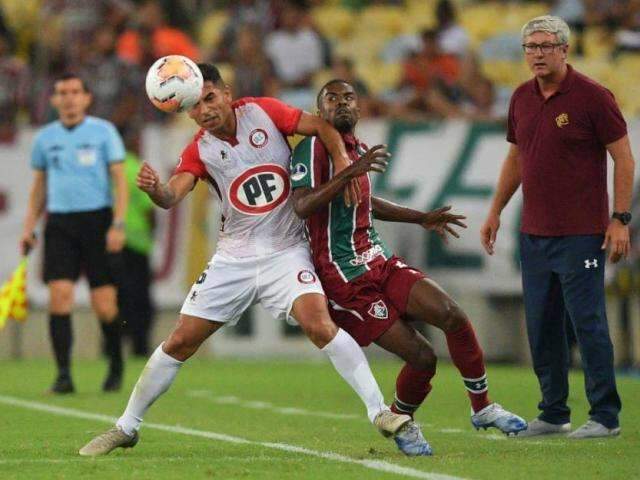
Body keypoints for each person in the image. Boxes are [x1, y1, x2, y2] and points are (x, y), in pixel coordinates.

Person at [79, 63, 424, 457]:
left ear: (227, 94)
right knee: (180, 341)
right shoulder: (199, 148)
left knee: (318, 324)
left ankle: (380, 412)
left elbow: (323, 127)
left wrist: (343, 162)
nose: (204, 110)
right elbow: (173, 195)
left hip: (285, 250)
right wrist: (157, 189)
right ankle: (126, 426)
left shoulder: (262, 111)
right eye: (195, 106)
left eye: (210, 98)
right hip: (234, 257)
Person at [290, 79, 528, 454]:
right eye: (332, 99)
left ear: (360, 107)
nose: (342, 104)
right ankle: (403, 422)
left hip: (379, 259)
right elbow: (302, 206)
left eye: (349, 98)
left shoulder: (358, 150)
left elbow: (366, 201)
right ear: (320, 112)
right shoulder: (311, 149)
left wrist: (420, 217)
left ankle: (482, 407)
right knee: (422, 357)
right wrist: (348, 174)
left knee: (451, 314)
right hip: (344, 276)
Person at [480, 15, 635, 439]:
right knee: (542, 325)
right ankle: (553, 413)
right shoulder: (520, 98)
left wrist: (620, 218)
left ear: (565, 49)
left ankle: (605, 416)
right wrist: (495, 211)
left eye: (546, 45)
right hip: (534, 233)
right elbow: (517, 158)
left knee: (587, 323)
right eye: (531, 46)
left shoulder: (592, 96)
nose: (538, 54)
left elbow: (624, 157)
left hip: (582, 232)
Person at [20, 73, 128, 393]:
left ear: (86, 98)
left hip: (97, 222)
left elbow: (119, 181)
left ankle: (116, 363)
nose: (68, 98)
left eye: (75, 92)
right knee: (60, 297)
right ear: (54, 100)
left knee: (104, 304)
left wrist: (118, 224)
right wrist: (29, 227)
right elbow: (39, 187)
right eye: (62, 93)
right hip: (60, 225)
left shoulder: (103, 132)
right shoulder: (45, 138)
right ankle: (63, 375)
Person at [117, 135, 155, 357]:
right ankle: (139, 347)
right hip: (136, 244)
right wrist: (152, 232)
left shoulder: (108, 170)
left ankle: (111, 347)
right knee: (139, 299)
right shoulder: (133, 168)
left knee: (116, 297)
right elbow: (148, 209)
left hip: (111, 242)